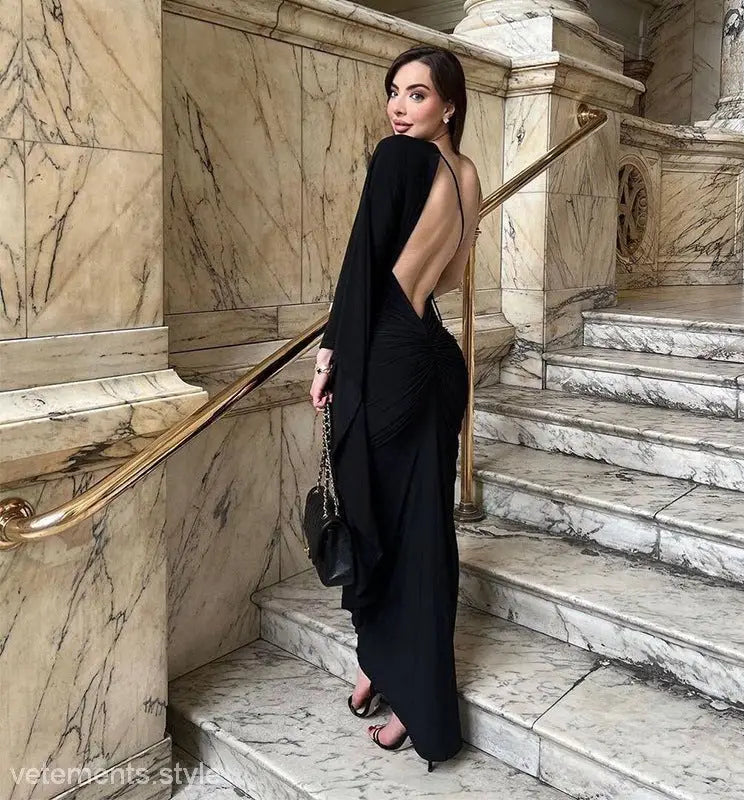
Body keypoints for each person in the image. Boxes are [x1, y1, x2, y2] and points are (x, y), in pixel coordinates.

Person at [308, 44, 482, 772]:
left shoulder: (398, 159)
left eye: (418, 94)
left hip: (387, 355)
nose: (399, 107)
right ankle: (390, 671)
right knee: (422, 526)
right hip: (437, 356)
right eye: (395, 92)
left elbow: (363, 263)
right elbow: (453, 272)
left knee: (376, 521)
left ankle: (402, 681)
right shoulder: (466, 173)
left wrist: (330, 352)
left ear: (448, 104)